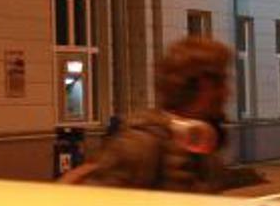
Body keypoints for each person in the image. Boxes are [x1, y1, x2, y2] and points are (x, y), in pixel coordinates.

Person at [69, 36, 235, 192]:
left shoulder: (203, 146)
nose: (227, 93)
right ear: (201, 84)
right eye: (221, 83)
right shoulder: (140, 146)